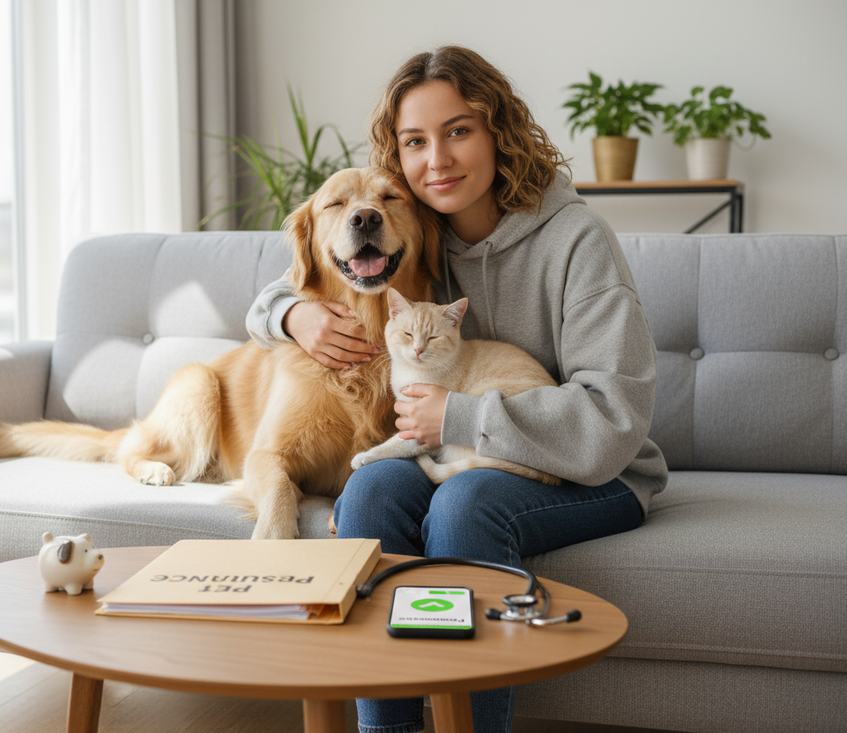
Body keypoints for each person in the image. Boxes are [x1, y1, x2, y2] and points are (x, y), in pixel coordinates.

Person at [246, 45, 667, 733]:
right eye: (415, 142)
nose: (436, 159)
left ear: (499, 132)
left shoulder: (577, 240)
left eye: (458, 131)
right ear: (398, 157)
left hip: (595, 468)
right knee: (372, 491)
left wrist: (463, 414)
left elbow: (612, 416)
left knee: (466, 506)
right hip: (468, 452)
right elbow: (293, 274)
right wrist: (290, 314)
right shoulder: (414, 234)